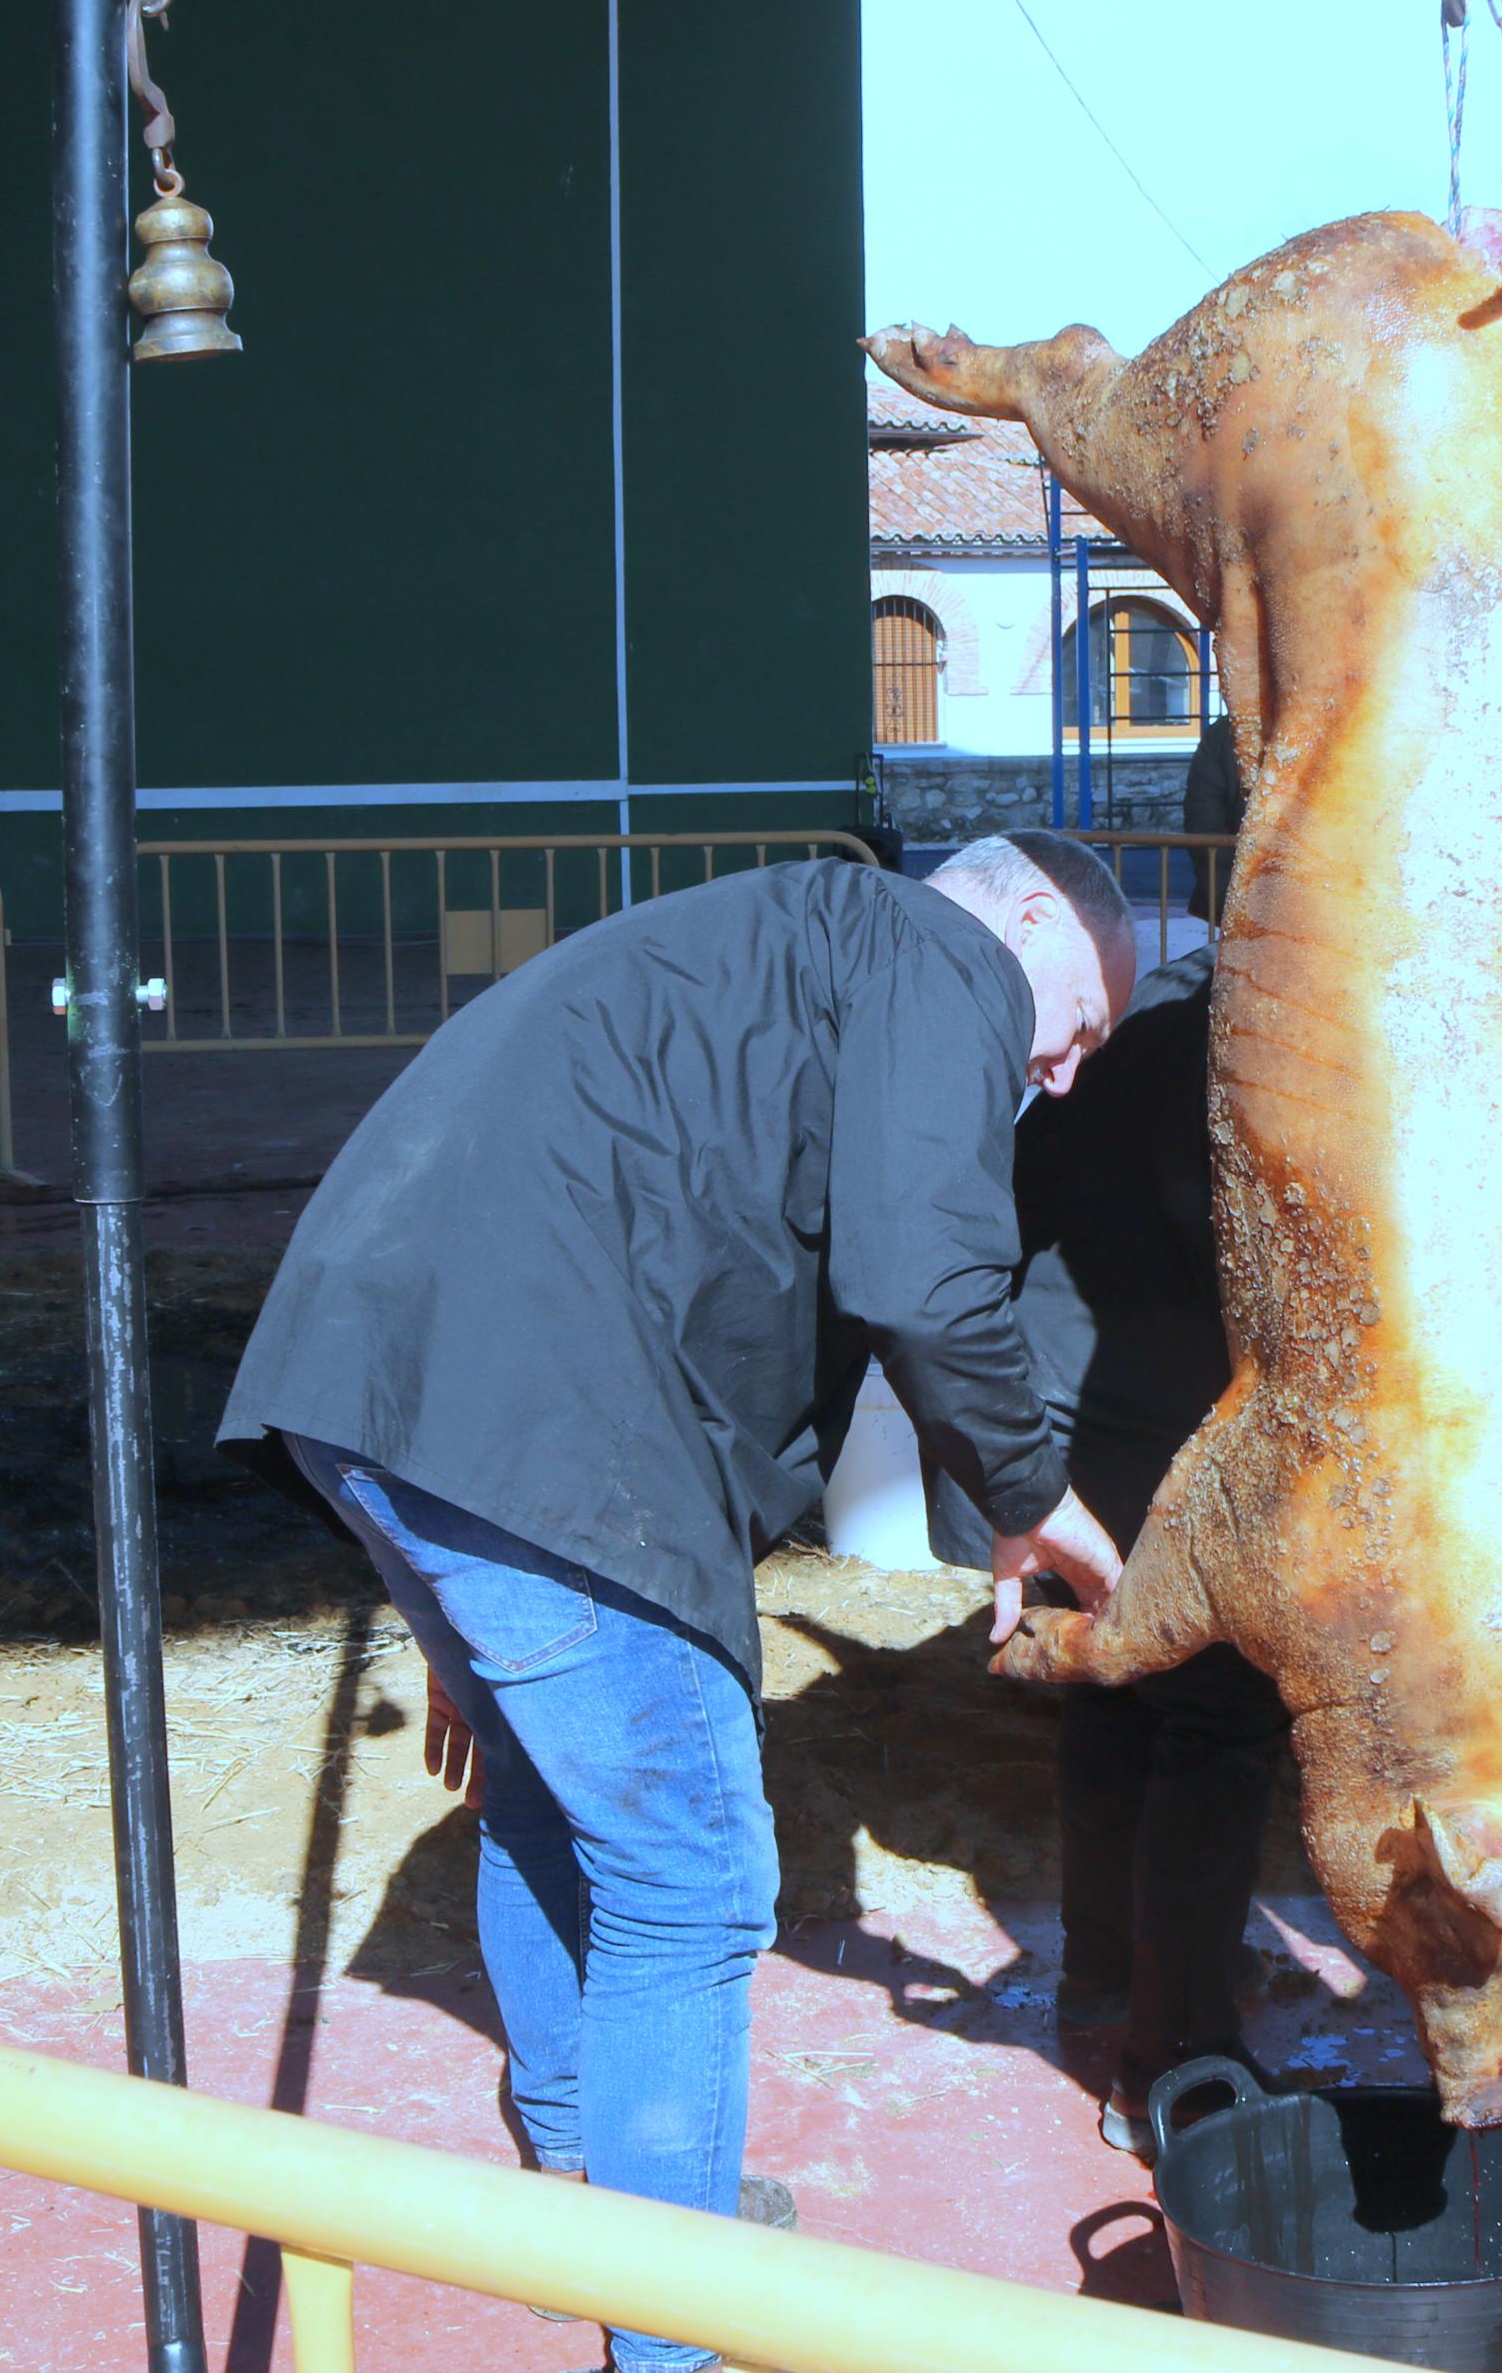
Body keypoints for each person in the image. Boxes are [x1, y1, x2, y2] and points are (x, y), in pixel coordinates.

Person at [219, 833, 1135, 2373]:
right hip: (541, 1412)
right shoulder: (933, 950)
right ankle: (674, 2330)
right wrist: (1036, 1492)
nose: (1054, 1071)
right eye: (1081, 1022)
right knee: (692, 1879)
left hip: (379, 1377)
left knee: (539, 1780)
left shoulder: (779, 944)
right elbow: (922, 1276)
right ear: (1028, 915)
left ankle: (589, 2188)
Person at [1008, 938, 1293, 2148]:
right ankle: (1173, 2058)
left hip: (1070, 1414)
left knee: (1110, 1691)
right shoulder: (1262, 1046)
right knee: (1214, 1726)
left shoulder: (1143, 1006)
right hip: (1179, 1428)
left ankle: (1100, 1968)